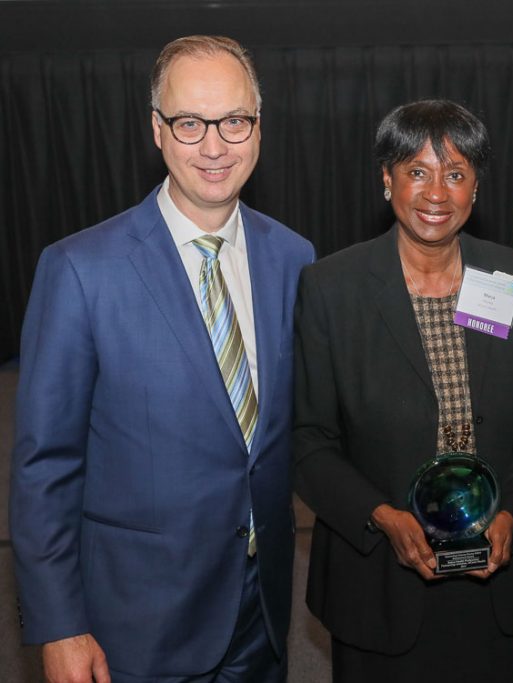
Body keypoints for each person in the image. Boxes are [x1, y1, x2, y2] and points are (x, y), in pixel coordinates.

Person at [9, 35, 314, 681]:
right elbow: (46, 466)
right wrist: (59, 624)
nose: (213, 145)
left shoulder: (293, 257)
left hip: (262, 606)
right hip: (138, 620)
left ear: (258, 127)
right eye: (189, 122)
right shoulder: (79, 270)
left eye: (234, 121)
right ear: (156, 129)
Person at [292, 99, 513, 682]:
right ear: (386, 180)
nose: (437, 192)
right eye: (417, 171)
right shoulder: (332, 289)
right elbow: (309, 440)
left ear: (476, 188)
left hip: (492, 564)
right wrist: (382, 516)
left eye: (456, 174)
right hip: (379, 574)